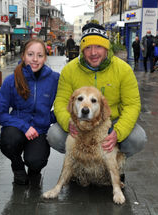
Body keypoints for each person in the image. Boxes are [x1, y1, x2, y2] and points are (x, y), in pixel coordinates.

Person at [47, 22, 147, 182]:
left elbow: (132, 105)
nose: (93, 53)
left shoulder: (124, 69)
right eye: (88, 47)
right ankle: (78, 164)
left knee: (137, 138)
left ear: (106, 48)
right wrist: (68, 123)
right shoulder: (70, 69)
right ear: (82, 50)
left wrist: (118, 132)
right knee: (54, 135)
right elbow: (60, 101)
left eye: (99, 47)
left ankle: (116, 164)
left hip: (111, 121)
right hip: (79, 122)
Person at [0, 38, 60, 185]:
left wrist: (48, 119)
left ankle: (34, 171)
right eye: (30, 54)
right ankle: (17, 166)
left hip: (39, 130)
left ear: (45, 57)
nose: (35, 59)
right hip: (17, 128)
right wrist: (24, 126)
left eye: (40, 55)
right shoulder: (11, 80)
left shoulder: (55, 79)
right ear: (23, 56)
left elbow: (63, 106)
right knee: (9, 142)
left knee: (36, 161)